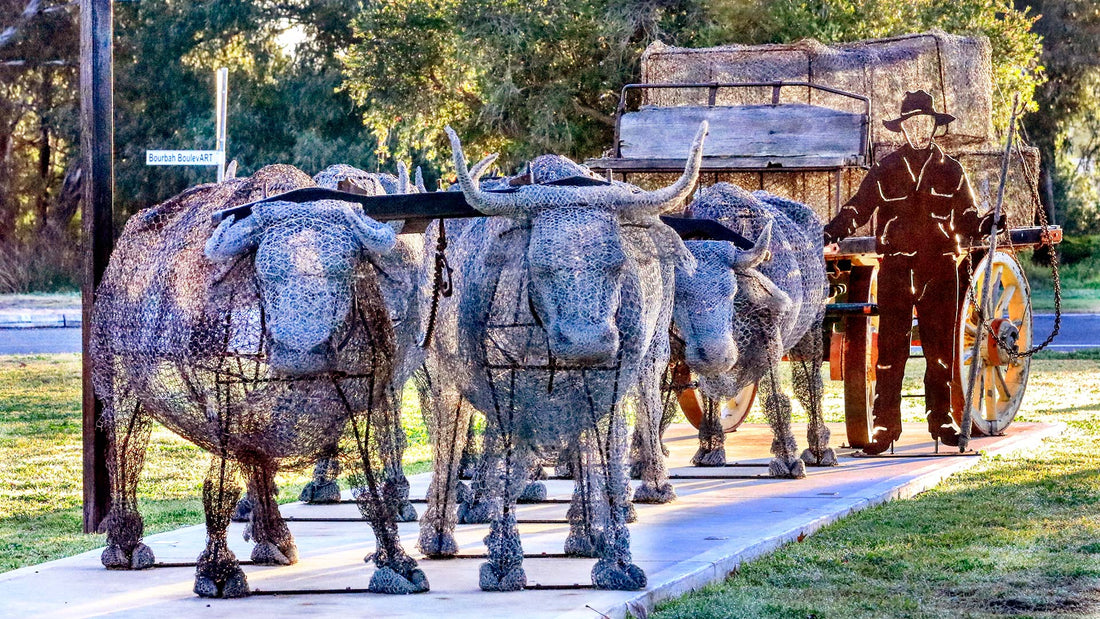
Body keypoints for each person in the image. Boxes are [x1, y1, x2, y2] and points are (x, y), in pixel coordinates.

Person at [824, 90, 1002, 455]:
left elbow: (967, 217)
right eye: (911, 124)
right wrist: (830, 232)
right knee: (890, 351)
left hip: (939, 267)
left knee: (940, 350)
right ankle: (886, 427)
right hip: (896, 269)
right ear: (903, 128)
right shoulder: (885, 170)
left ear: (935, 126)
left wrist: (986, 224)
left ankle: (942, 421)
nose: (918, 130)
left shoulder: (951, 170)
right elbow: (859, 208)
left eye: (925, 123)